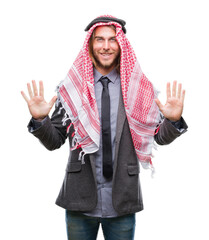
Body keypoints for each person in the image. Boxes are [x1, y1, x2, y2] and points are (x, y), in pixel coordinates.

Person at [21, 15, 188, 240]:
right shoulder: (72, 89)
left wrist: (173, 121)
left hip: (122, 200)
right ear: (90, 44)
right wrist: (41, 120)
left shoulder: (138, 89)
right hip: (80, 199)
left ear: (121, 44)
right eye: (99, 40)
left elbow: (157, 137)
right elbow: (54, 141)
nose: (106, 46)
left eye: (112, 40)